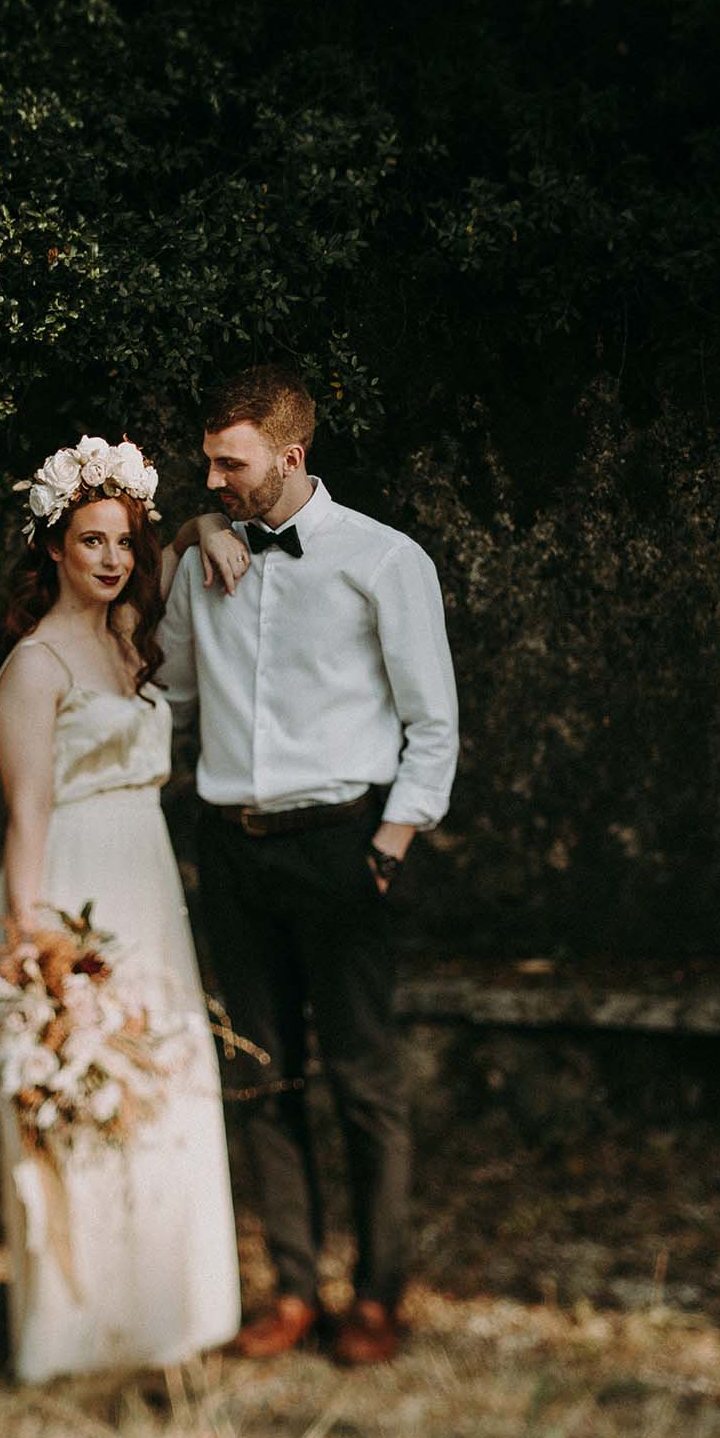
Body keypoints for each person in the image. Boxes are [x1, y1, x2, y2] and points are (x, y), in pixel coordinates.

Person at [158, 366, 460, 1367]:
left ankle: (376, 1295)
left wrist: (390, 843)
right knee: (260, 1078)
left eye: (228, 464)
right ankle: (291, 1288)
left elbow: (433, 722)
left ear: (291, 456)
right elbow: (176, 699)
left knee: (366, 1084)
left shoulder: (384, 560)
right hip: (232, 849)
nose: (212, 480)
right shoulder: (206, 555)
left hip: (344, 848)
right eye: (207, 460)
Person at [0, 434, 251, 1383]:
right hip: (75, 884)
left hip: (148, 881)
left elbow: (190, 552)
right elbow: (26, 814)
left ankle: (173, 1310)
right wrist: (37, 948)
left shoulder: (130, 643)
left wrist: (208, 520)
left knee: (164, 1085)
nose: (112, 558)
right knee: (85, 1093)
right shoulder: (35, 667)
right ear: (53, 546)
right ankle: (83, 1326)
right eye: (91, 539)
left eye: (123, 540)